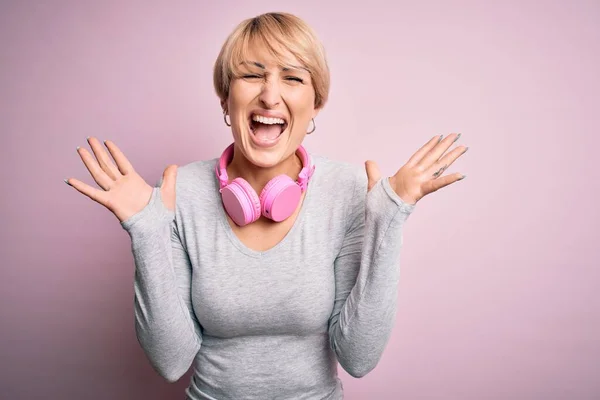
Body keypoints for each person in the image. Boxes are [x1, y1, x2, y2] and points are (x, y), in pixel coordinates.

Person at [65, 11, 467, 400]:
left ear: (315, 105)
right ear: (225, 98)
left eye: (292, 78)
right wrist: (147, 231)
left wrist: (388, 220)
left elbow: (358, 358)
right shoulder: (179, 191)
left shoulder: (348, 190)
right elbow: (171, 362)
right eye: (251, 75)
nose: (270, 95)